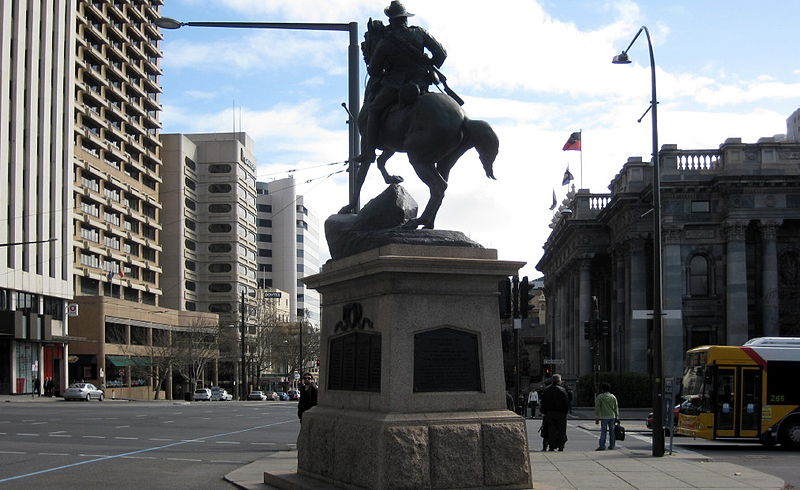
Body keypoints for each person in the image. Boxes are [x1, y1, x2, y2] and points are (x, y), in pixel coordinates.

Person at [359, 0, 447, 165]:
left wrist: (386, 70)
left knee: (374, 109)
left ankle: (369, 152)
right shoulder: (420, 33)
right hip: (421, 83)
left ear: (391, 20)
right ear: (405, 18)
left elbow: (374, 71)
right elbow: (441, 53)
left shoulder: (387, 41)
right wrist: (429, 62)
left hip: (396, 84)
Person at [539, 374, 570, 451]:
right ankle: (561, 445)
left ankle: (551, 445)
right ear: (559, 381)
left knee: (550, 429)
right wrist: (565, 412)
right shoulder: (563, 390)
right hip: (561, 413)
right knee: (561, 430)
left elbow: (543, 402)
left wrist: (544, 411)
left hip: (549, 413)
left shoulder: (546, 390)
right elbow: (566, 403)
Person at [594, 382, 620, 450]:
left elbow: (597, 408)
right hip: (612, 416)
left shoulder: (600, 397)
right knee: (612, 432)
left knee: (603, 431)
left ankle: (602, 446)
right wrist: (617, 416)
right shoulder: (613, 397)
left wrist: (597, 417)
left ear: (602, 389)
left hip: (604, 416)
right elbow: (616, 407)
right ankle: (612, 445)